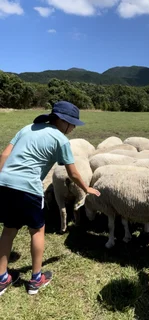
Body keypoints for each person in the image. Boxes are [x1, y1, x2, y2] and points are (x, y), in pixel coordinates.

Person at [0, 101, 100, 296]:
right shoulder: (60, 139)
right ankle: (36, 280)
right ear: (62, 121)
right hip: (28, 186)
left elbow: (4, 154)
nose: (72, 128)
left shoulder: (27, 128)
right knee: (37, 231)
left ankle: (2, 278)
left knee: (9, 230)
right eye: (72, 124)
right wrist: (86, 187)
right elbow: (72, 173)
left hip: (5, 183)